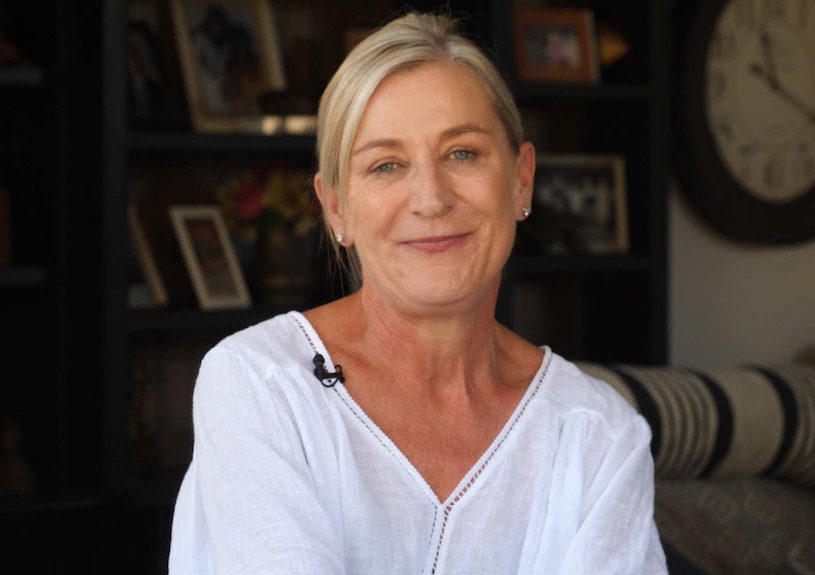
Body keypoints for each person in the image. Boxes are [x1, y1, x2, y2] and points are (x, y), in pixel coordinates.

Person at [168, 10, 668, 574]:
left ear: (521, 179)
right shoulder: (261, 384)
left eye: (462, 153)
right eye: (386, 165)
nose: (430, 198)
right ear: (336, 207)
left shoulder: (597, 435)